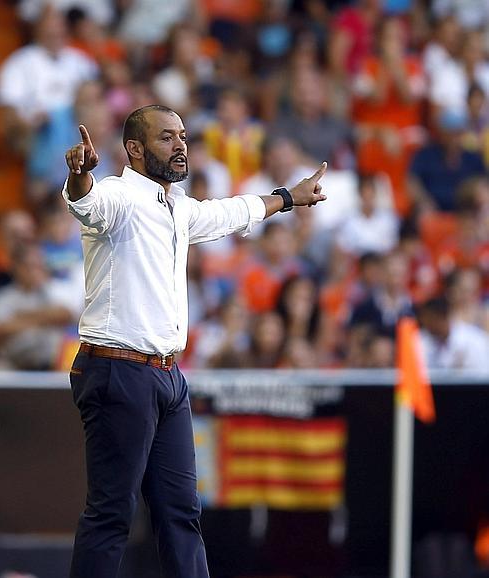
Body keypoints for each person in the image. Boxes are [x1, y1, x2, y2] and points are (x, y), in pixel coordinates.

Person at [62, 103, 327, 578]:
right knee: (111, 514)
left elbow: (230, 213)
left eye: (183, 135)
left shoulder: (176, 207)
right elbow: (88, 205)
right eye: (167, 137)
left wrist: (288, 197)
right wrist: (81, 177)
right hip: (119, 369)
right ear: (135, 149)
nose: (181, 145)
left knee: (182, 514)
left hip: (167, 376)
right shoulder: (120, 195)